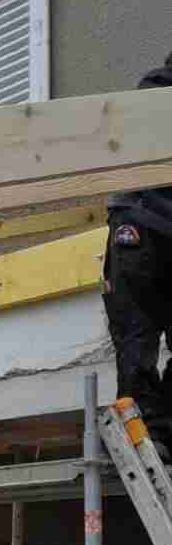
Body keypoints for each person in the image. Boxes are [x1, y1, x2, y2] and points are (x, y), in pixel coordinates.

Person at [104, 53, 172, 453]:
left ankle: (160, 431)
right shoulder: (156, 92)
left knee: (136, 337)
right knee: (136, 337)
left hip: (157, 228)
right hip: (140, 228)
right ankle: (145, 434)